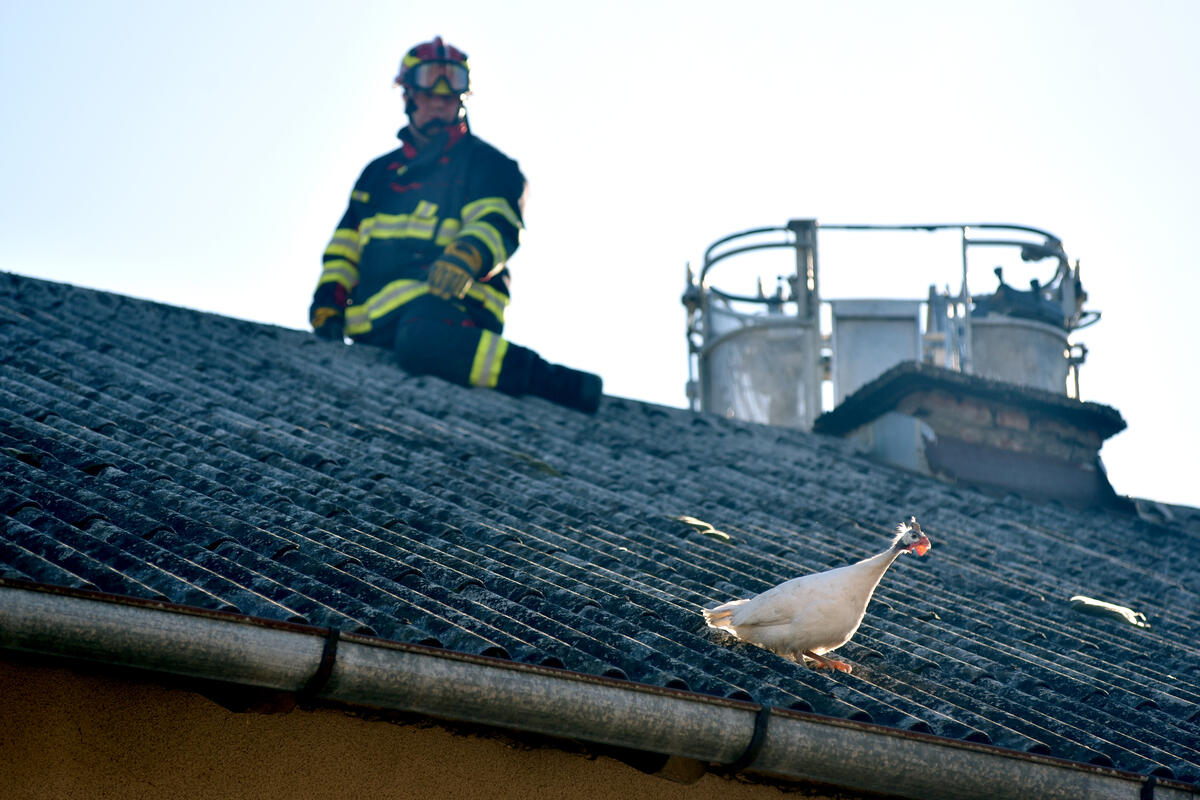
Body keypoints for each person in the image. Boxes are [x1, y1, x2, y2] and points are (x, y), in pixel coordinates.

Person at [309, 36, 603, 414]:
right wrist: (328, 303)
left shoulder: (488, 165)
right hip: (376, 327)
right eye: (430, 93)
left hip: (453, 309)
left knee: (423, 341)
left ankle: (556, 384)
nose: (439, 102)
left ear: (462, 99)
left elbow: (497, 222)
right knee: (409, 345)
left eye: (449, 96)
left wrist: (466, 257)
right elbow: (344, 250)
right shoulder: (377, 175)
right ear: (408, 96)